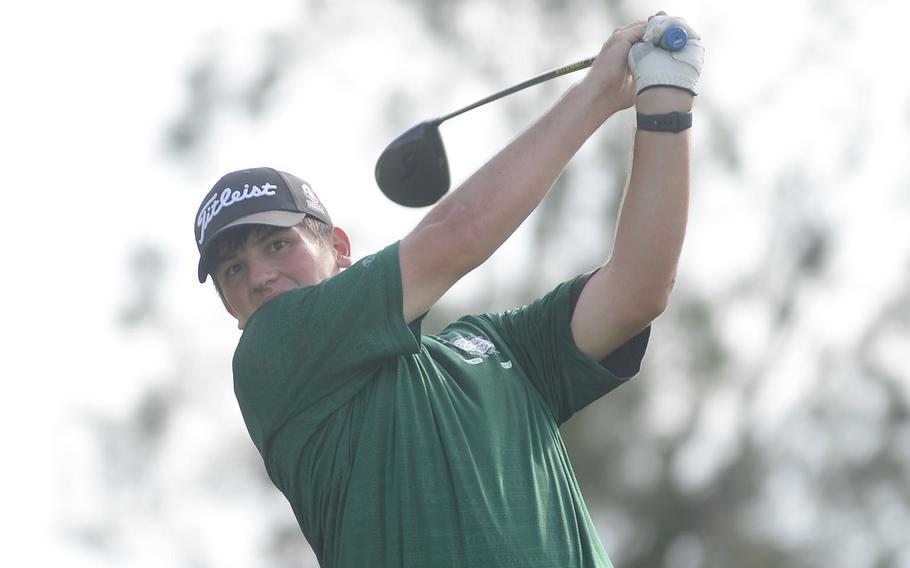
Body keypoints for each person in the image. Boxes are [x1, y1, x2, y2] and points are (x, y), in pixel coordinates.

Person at [192, 13, 703, 568]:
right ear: (229, 306)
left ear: (338, 247)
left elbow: (636, 291)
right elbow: (459, 233)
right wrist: (599, 93)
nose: (259, 276)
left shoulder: (495, 346)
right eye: (233, 272)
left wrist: (665, 99)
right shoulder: (272, 354)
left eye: (275, 246)